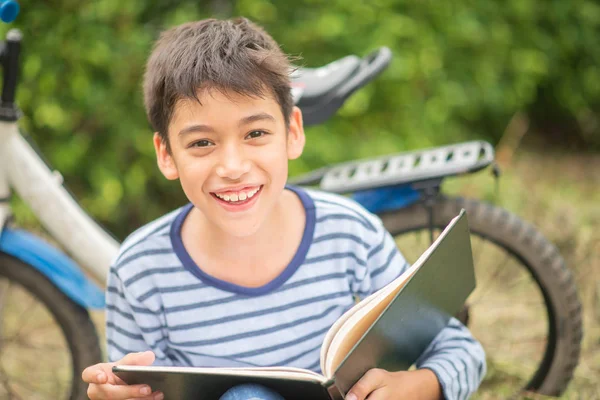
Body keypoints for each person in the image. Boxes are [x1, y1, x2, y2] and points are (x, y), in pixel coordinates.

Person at [82, 17, 486, 400]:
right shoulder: (140, 271)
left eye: (255, 133)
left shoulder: (350, 235)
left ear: (292, 132)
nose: (233, 168)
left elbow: (461, 350)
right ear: (166, 154)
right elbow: (134, 385)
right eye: (202, 143)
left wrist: (419, 386)